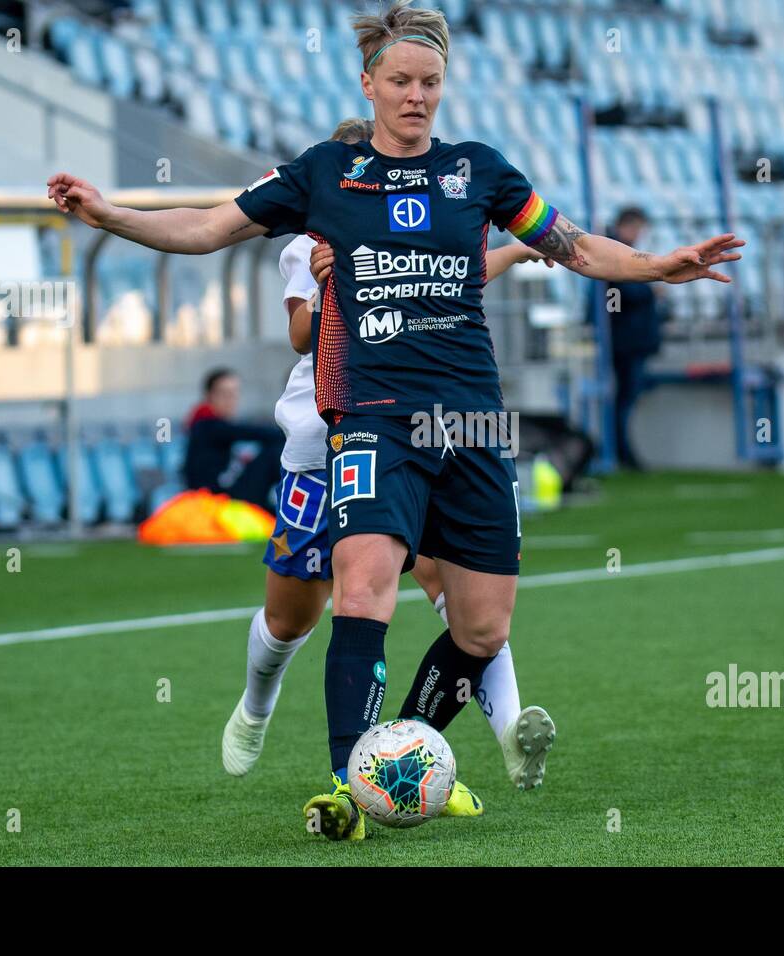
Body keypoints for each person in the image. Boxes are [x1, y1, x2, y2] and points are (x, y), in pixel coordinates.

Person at [48, 0, 741, 844]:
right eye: (403, 81)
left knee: (482, 627)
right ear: (370, 83)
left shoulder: (479, 171)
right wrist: (108, 213)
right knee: (364, 588)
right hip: (373, 422)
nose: (417, 96)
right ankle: (347, 782)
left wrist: (660, 267)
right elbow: (205, 227)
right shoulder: (322, 174)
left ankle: (401, 758)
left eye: (431, 83)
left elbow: (572, 245)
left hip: (475, 427)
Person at [219, 118, 557, 813]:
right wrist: (334, 281)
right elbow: (301, 333)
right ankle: (257, 703)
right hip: (321, 450)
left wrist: (520, 252)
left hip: (408, 435)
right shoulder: (311, 238)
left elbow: (455, 272)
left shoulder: (421, 224)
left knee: (463, 598)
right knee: (290, 618)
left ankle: (470, 739)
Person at [600, 207, 664, 469]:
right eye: (637, 229)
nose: (640, 235)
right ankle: (621, 453)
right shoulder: (613, 251)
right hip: (625, 342)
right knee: (625, 398)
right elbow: (622, 292)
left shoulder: (617, 250)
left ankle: (621, 451)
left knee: (627, 397)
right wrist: (651, 292)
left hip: (629, 340)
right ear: (627, 225)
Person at [181, 368, 283, 508]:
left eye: (235, 394)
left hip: (226, 492)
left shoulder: (212, 425)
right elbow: (258, 433)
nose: (231, 400)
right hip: (216, 500)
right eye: (225, 394)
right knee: (273, 452)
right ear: (209, 396)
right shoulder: (206, 425)